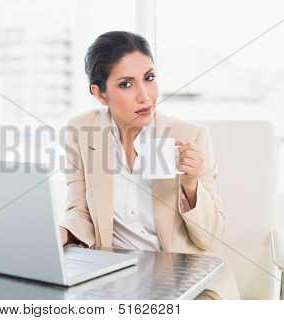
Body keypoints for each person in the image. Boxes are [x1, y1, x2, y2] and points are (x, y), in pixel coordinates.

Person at [59, 31, 240, 300]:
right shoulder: (81, 132)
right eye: (125, 84)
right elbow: (80, 211)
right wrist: (59, 234)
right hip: (114, 280)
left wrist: (191, 186)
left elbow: (210, 239)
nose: (145, 96)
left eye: (149, 78)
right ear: (100, 94)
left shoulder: (189, 136)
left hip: (185, 281)